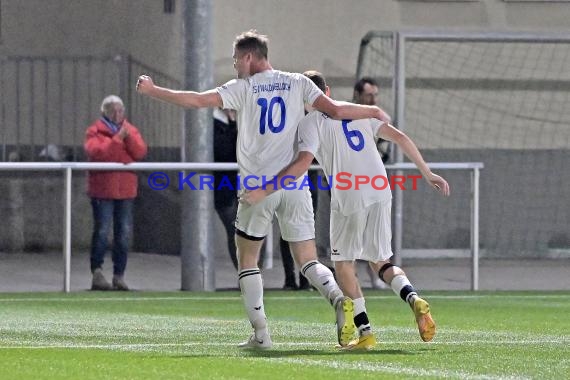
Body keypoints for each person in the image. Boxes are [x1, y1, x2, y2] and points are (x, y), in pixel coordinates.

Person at [136, 30, 391, 349]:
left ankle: (261, 335)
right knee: (308, 260)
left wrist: (153, 90)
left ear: (248, 58)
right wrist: (371, 111)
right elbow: (336, 110)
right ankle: (338, 298)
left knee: (248, 260)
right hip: (295, 185)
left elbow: (197, 100)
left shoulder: (243, 88)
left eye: (235, 60)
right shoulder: (298, 82)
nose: (234, 67)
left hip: (259, 187)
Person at [241, 70, 450, 350]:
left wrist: (264, 189)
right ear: (326, 90)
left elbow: (303, 164)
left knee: (344, 267)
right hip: (379, 189)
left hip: (349, 194)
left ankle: (365, 333)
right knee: (381, 262)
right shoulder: (357, 112)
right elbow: (400, 137)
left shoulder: (311, 122)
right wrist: (427, 172)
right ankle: (413, 298)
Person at [84, 95, 148, 291]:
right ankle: (97, 272)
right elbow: (100, 154)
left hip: (125, 190)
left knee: (123, 234)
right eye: (114, 110)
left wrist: (126, 138)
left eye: (121, 110)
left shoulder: (131, 130)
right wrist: (117, 140)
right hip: (102, 190)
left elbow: (140, 152)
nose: (118, 114)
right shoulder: (94, 132)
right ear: (105, 112)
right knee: (102, 232)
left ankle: (119, 275)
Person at [353, 77, 390, 289]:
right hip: (347, 181)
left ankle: (376, 275)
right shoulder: (345, 112)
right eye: (369, 95)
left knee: (372, 231)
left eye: (375, 94)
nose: (373, 99)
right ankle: (350, 276)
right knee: (350, 233)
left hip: (370, 182)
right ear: (358, 95)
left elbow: (386, 144)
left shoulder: (378, 116)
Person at [213, 108, 239, 271]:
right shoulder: (214, 125)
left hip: (247, 184)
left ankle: (254, 272)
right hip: (225, 186)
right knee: (235, 230)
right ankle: (245, 272)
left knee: (256, 231)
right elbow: (224, 151)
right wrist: (233, 124)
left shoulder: (244, 121)